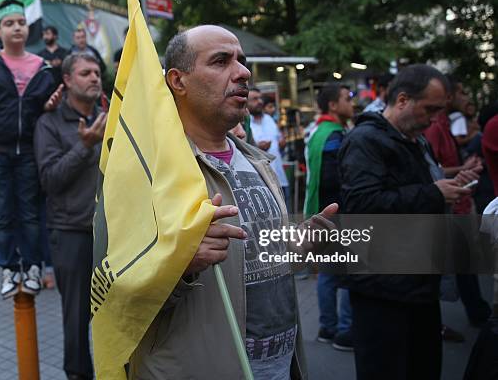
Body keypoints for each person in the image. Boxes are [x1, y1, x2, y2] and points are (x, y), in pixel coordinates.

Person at [129, 25, 338, 380]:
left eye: (241, 60)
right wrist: (180, 264)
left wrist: (296, 246)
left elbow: (258, 254)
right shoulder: (146, 172)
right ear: (177, 81)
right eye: (221, 61)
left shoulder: (258, 162)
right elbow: (120, 293)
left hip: (281, 365)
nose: (243, 72)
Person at [339, 64, 475, 380]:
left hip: (416, 284)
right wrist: (432, 193)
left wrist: (449, 183)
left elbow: (416, 187)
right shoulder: (366, 140)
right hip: (383, 289)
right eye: (430, 109)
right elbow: (362, 205)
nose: (435, 118)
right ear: (402, 100)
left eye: (440, 111)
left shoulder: (414, 139)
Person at [0, 0, 63, 298]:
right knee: (3, 213)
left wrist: (49, 106)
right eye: (9, 23)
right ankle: (9, 269)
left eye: (20, 22)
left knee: (31, 214)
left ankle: (33, 266)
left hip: (30, 153)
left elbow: (47, 111)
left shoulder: (43, 68)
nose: (16, 27)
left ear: (27, 27)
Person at [35, 53, 107, 380]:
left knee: (119, 314)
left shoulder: (111, 117)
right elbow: (49, 180)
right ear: (67, 80)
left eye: (97, 72)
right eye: (85, 73)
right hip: (71, 234)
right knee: (77, 321)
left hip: (112, 234)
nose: (94, 77)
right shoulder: (48, 123)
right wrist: (84, 147)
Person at [424, 76, 492, 331]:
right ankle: (476, 312)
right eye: (462, 93)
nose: (466, 99)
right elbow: (434, 169)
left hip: (459, 204)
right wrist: (463, 168)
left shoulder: (443, 124)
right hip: (452, 208)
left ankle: (476, 310)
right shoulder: (434, 126)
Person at [304, 83, 354, 351]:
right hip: (336, 213)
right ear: (333, 105)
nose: (353, 103)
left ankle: (327, 327)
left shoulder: (316, 132)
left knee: (328, 272)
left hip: (321, 212)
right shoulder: (334, 136)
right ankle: (345, 332)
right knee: (345, 272)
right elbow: (337, 180)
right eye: (348, 98)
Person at [248, 88, 290, 209]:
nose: (260, 101)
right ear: (246, 102)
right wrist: (257, 148)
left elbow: (278, 145)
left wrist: (282, 144)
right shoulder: (244, 123)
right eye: (255, 99)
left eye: (260, 98)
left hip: (279, 177)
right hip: (261, 181)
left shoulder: (269, 119)